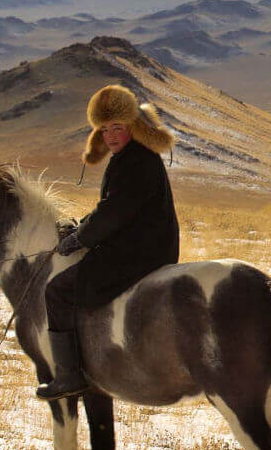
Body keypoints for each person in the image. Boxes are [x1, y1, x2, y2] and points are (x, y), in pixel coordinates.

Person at [38, 84, 181, 400]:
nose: (111, 135)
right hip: (144, 244)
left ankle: (69, 376)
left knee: (58, 291)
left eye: (117, 127)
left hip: (138, 252)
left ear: (131, 125)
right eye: (104, 130)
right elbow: (112, 209)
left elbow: (114, 211)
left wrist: (80, 238)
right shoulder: (133, 155)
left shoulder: (135, 159)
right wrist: (83, 229)